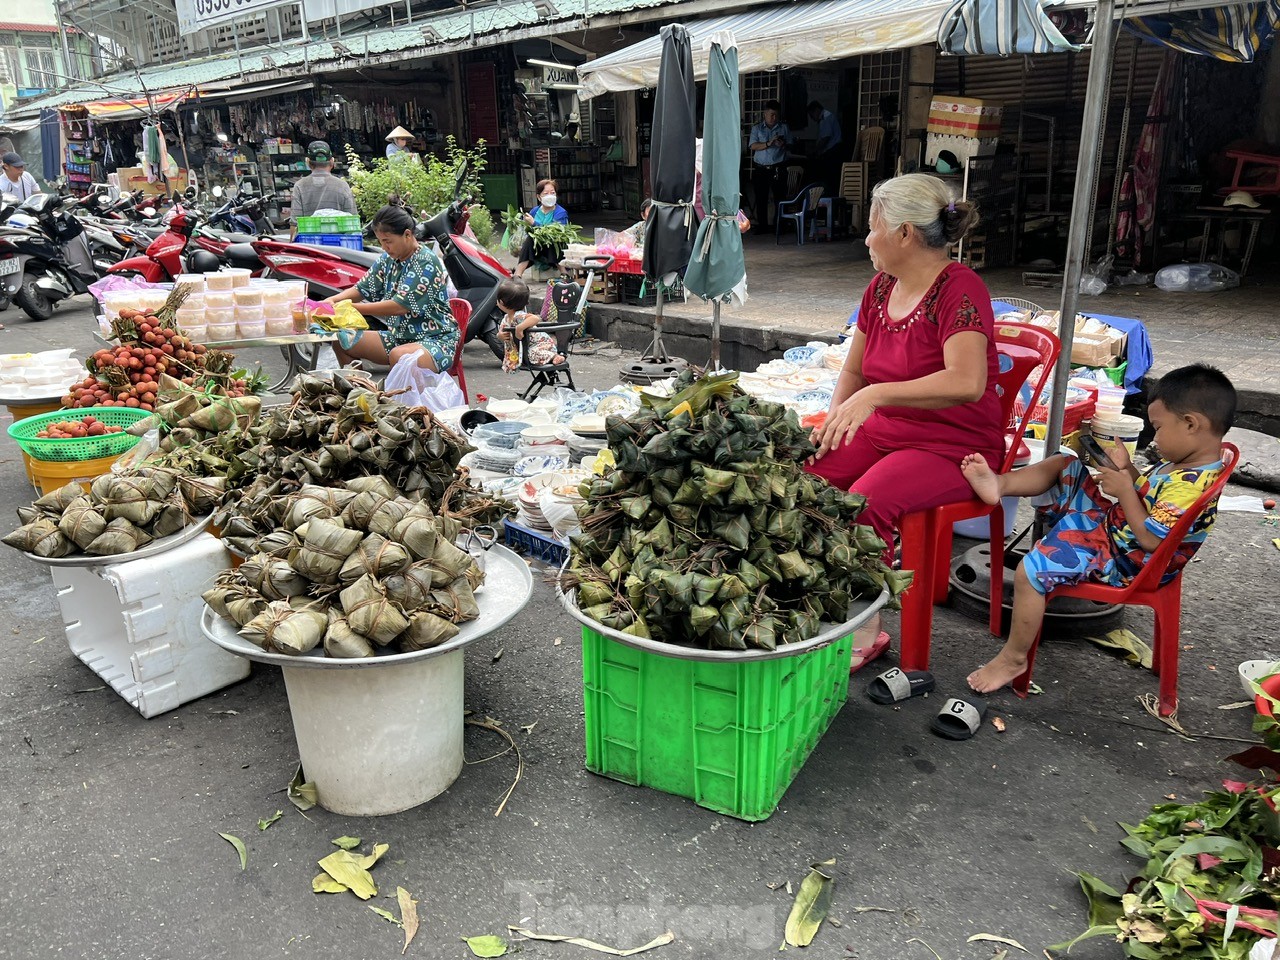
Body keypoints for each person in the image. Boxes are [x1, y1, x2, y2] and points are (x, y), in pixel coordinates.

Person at [803, 173, 1000, 668]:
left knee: (865, 501)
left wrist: (876, 395)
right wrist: (833, 424)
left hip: (953, 447)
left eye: (873, 227)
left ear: (905, 233)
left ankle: (868, 626)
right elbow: (853, 368)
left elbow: (968, 381)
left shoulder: (961, 288)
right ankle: (812, 595)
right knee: (800, 478)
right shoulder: (878, 288)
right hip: (887, 432)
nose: (867, 238)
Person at [960, 364, 1235, 695]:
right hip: (1113, 530)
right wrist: (1128, 471)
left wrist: (1124, 491)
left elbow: (1149, 539)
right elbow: (1148, 498)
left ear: (1191, 424)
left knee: (1030, 571)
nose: (1155, 437)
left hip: (1125, 560)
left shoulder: (1190, 486)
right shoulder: (1186, 461)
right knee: (1065, 464)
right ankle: (999, 484)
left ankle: (1013, 658)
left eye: (1158, 428)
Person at [323, 205, 457, 374]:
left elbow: (400, 306)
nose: (385, 247)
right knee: (343, 341)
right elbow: (362, 289)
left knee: (400, 356)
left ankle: (405, 401)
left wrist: (348, 308)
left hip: (436, 341)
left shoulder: (426, 261)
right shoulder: (388, 259)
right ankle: (358, 393)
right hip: (399, 338)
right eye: (381, 242)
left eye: (388, 241)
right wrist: (331, 302)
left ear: (407, 235)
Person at [290, 141, 358, 238]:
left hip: (311, 246)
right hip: (340, 246)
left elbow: (295, 224)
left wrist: (291, 248)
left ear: (307, 162)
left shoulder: (299, 186)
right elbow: (353, 221)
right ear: (332, 162)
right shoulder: (343, 186)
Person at [496, 276, 564, 373]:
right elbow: (500, 332)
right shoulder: (506, 319)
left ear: (501, 302)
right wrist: (500, 336)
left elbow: (535, 318)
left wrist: (519, 328)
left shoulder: (519, 316)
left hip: (540, 345)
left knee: (531, 355)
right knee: (527, 355)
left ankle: (554, 356)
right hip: (526, 347)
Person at [748, 100, 791, 232]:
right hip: (761, 167)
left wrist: (782, 144)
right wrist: (768, 143)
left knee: (779, 197)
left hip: (778, 167)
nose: (774, 118)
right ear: (765, 114)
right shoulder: (757, 128)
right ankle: (762, 226)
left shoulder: (783, 128)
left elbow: (791, 145)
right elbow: (753, 146)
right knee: (761, 197)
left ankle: (779, 225)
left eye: (776, 115)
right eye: (771, 115)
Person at [514, 179, 569, 278]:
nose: (550, 196)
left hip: (553, 246)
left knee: (553, 241)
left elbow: (555, 233)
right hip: (537, 247)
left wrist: (534, 223)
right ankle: (517, 275)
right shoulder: (534, 211)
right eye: (546, 193)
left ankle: (564, 273)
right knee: (530, 240)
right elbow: (528, 230)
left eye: (552, 193)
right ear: (539, 197)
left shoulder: (561, 212)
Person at [808, 100, 843, 192]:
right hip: (831, 151)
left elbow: (825, 138)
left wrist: (815, 151)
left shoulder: (826, 117)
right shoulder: (826, 117)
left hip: (833, 152)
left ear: (816, 110)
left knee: (830, 178)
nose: (812, 118)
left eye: (811, 115)